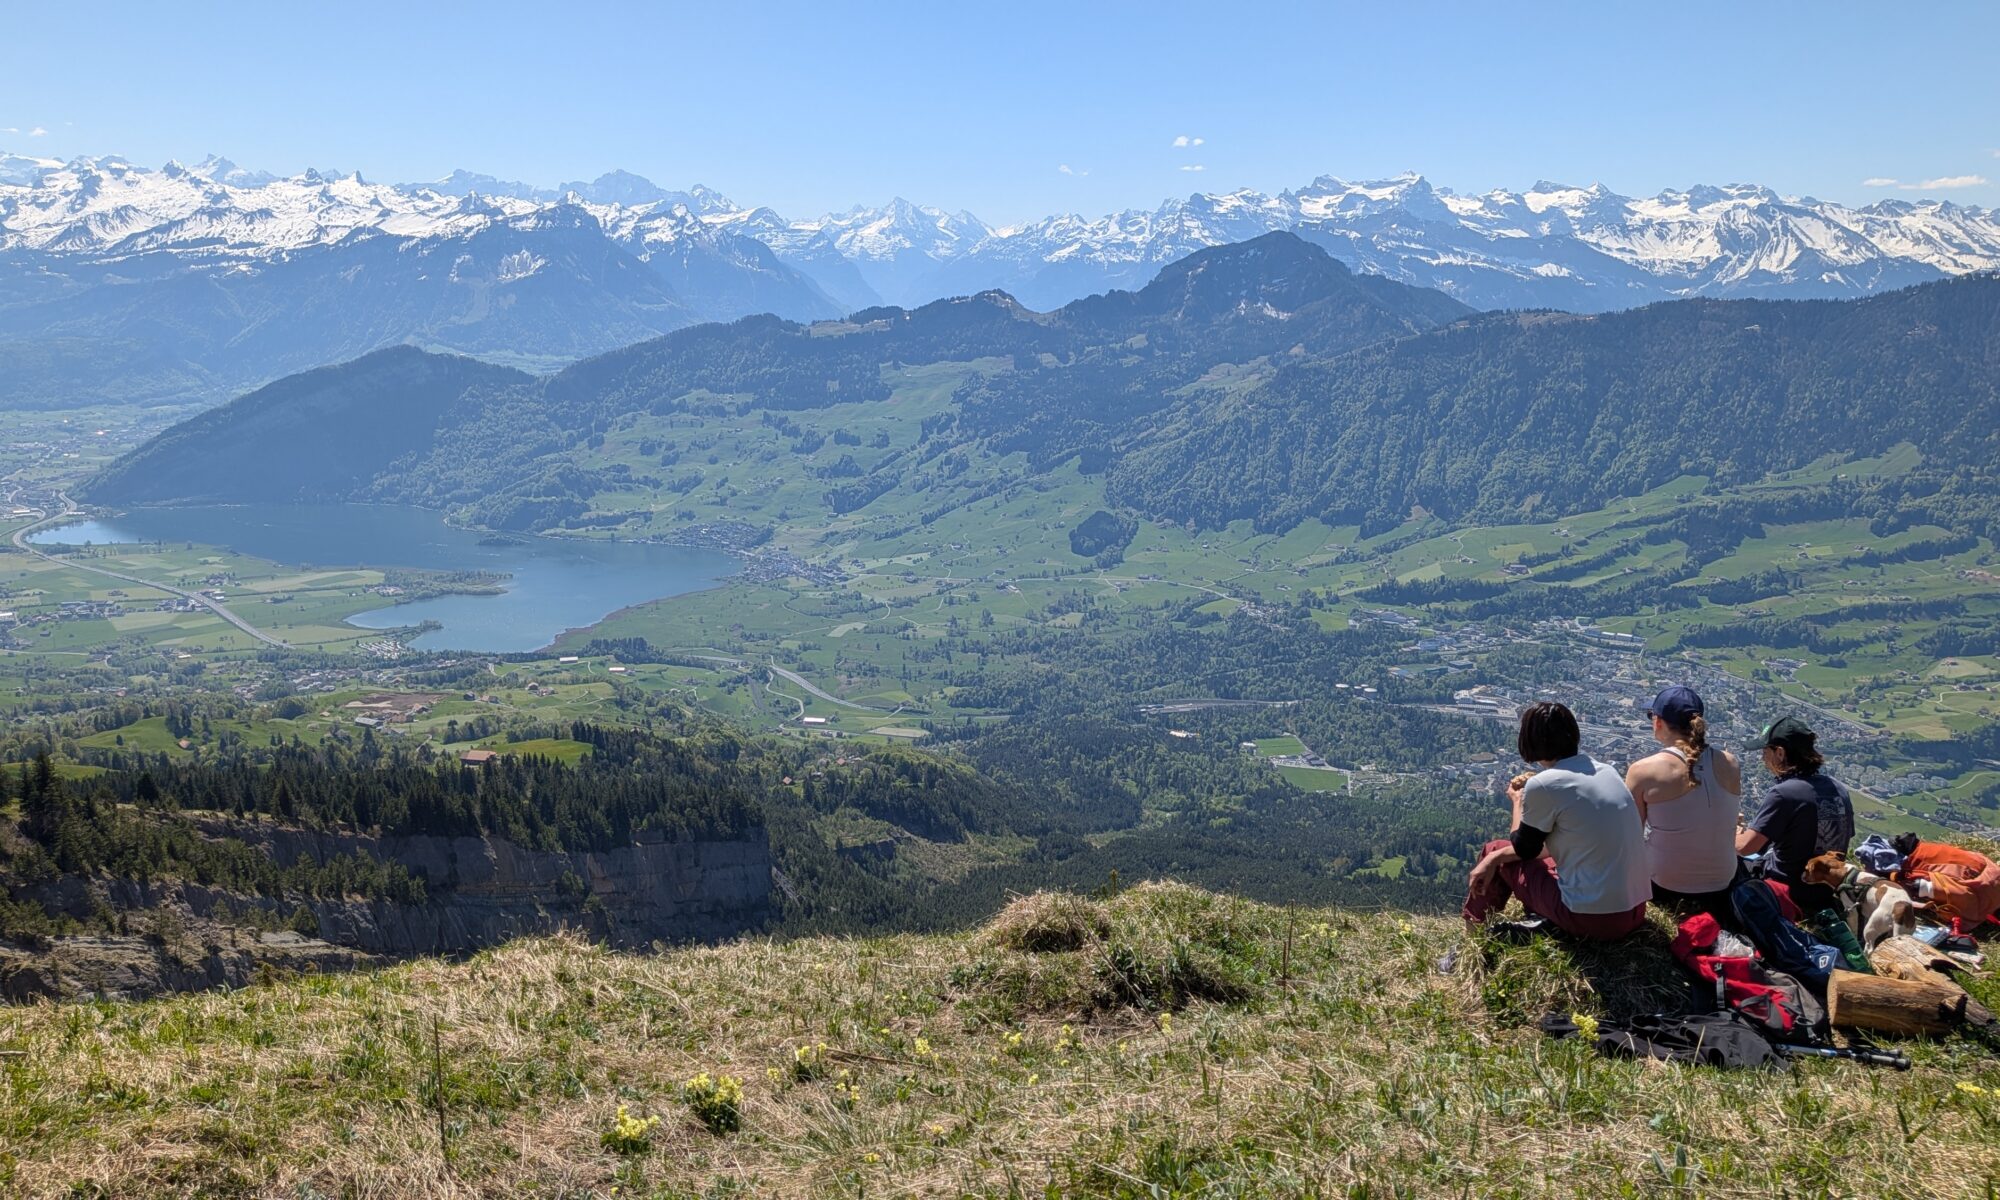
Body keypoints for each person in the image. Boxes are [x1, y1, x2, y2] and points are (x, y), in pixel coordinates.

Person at [1465, 701, 1650, 939]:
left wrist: (1517, 802)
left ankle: (1472, 940)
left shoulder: (1544, 784)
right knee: (1506, 855)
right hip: (1634, 912)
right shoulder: (1608, 771)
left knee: (1496, 849)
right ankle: (1541, 918)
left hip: (1591, 920)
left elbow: (1524, 848)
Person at [1625, 685, 1743, 913]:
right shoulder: (1730, 763)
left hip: (1664, 884)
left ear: (1658, 722)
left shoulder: (1643, 771)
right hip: (1723, 881)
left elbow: (1630, 837)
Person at [1736, 714, 1853, 914]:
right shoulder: (1838, 788)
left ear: (1780, 753)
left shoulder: (1784, 793)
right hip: (1824, 891)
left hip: (1787, 890)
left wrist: (1733, 829)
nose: (1763, 758)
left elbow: (1745, 847)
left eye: (1765, 751)